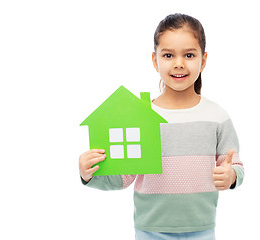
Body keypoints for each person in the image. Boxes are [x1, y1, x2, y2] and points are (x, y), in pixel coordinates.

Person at [79, 13, 244, 240]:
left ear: (203, 60)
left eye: (189, 54)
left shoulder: (217, 116)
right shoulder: (141, 116)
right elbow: (124, 176)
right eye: (168, 55)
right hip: (150, 230)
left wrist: (231, 176)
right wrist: (90, 174)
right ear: (155, 60)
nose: (178, 63)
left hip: (202, 229)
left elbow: (234, 165)